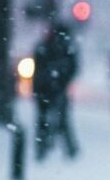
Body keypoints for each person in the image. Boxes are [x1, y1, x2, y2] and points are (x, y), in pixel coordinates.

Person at [33, 22, 79, 161]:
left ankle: (43, 149)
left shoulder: (45, 47)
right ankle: (68, 149)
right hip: (52, 89)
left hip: (47, 89)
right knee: (60, 120)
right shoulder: (65, 48)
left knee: (47, 120)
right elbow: (72, 68)